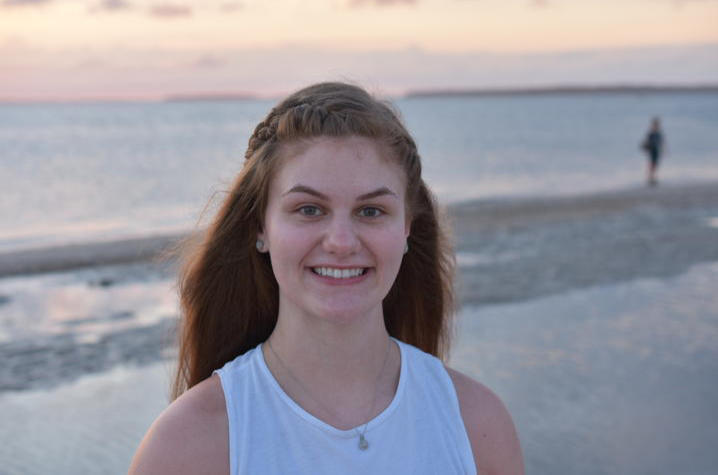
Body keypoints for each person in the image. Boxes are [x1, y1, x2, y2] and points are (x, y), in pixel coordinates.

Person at [129, 82, 524, 474]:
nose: (340, 242)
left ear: (407, 228)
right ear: (260, 228)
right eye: (309, 209)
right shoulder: (188, 445)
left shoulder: (477, 425)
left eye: (371, 211)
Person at [641, 116, 665, 186]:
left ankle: (652, 178)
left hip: (656, 150)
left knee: (655, 165)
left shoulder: (658, 133)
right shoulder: (651, 133)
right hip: (652, 150)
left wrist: (663, 150)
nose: (656, 126)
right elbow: (646, 142)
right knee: (651, 165)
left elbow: (661, 142)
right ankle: (650, 178)